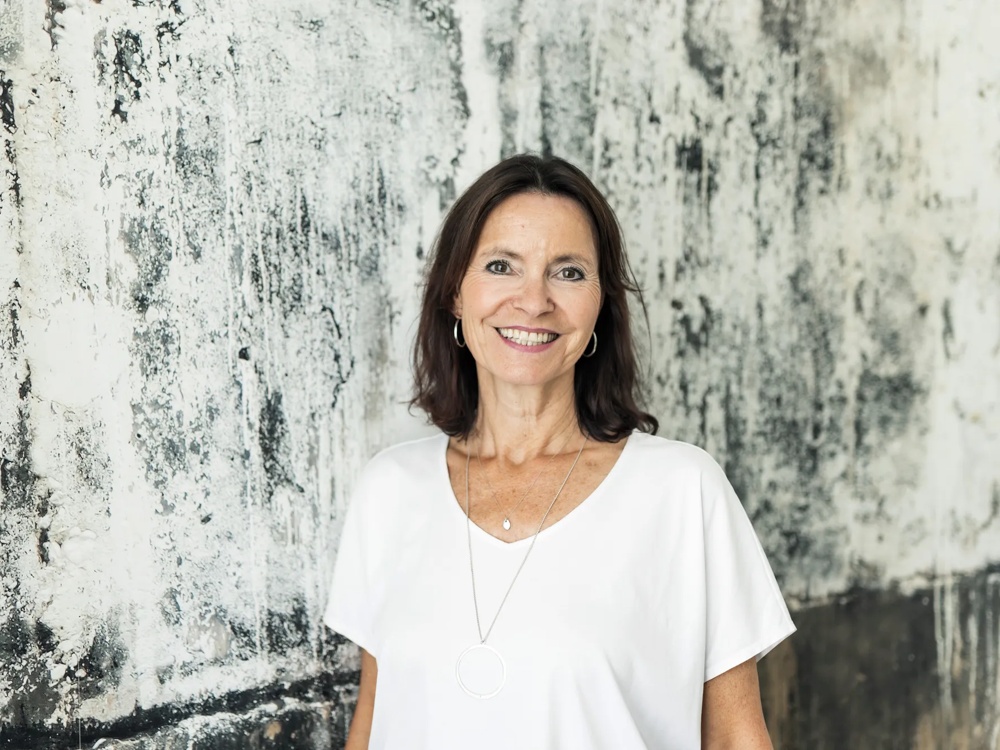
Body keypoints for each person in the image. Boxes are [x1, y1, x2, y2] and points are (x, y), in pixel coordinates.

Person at [324, 154, 795, 749]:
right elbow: (373, 725)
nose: (534, 300)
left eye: (567, 273)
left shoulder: (681, 490)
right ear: (455, 295)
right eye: (501, 266)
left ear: (600, 304)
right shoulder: (388, 491)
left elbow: (735, 739)